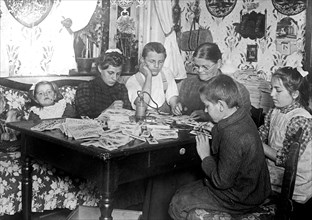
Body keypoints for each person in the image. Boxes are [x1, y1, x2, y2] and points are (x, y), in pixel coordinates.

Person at [169, 74, 271, 219]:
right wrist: (214, 129)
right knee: (183, 189)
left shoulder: (232, 135)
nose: (205, 111)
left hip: (240, 198)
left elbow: (221, 181)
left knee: (177, 203)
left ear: (221, 105)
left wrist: (205, 156)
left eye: (207, 106)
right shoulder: (241, 115)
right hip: (254, 189)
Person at [258, 66, 312, 205]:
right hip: (275, 174)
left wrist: (257, 144)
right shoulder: (274, 111)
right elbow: (262, 133)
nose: (272, 94)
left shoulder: (300, 120)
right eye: (271, 88)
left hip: (294, 185)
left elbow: (286, 159)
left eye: (278, 90)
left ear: (295, 94)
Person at [179, 42, 251, 120]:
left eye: (205, 67)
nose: (200, 70)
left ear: (219, 63)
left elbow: (242, 122)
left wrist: (207, 116)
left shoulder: (237, 90)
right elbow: (183, 110)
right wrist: (177, 105)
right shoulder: (189, 83)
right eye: (197, 66)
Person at [125, 42, 183, 115]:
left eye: (160, 62)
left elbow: (172, 95)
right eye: (152, 61)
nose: (156, 66)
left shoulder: (166, 73)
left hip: (163, 119)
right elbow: (142, 106)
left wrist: (174, 105)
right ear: (142, 60)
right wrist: (148, 76)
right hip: (142, 119)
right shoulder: (133, 81)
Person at [75, 49, 132, 118]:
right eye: (110, 73)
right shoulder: (85, 88)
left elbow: (129, 116)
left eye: (118, 74)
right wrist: (108, 111)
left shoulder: (121, 89)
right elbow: (84, 117)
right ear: (100, 68)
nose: (115, 78)